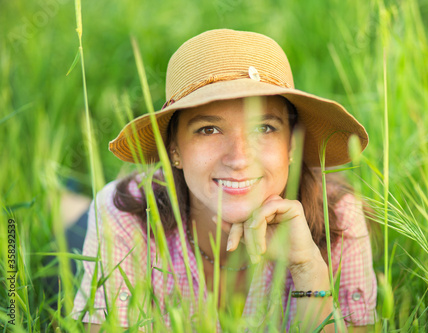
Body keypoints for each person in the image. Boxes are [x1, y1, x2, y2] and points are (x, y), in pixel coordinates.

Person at [72, 29, 377, 332]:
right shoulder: (127, 216)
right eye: (209, 129)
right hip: (96, 230)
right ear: (174, 150)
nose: (239, 159)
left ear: (292, 146)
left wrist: (307, 268)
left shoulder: (338, 219)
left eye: (265, 128)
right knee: (71, 222)